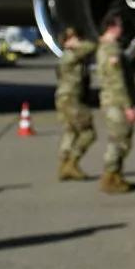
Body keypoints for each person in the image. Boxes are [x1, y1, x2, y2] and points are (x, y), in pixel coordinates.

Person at [93, 15, 135, 194]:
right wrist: (128, 106)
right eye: (119, 26)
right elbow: (117, 80)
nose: (122, 29)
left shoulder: (105, 48)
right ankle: (110, 176)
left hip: (111, 100)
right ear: (112, 27)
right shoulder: (111, 50)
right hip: (116, 101)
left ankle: (115, 175)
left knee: (119, 138)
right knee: (120, 140)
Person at [55, 27, 98, 181]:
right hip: (71, 99)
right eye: (75, 38)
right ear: (66, 41)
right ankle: (73, 162)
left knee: (70, 132)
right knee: (89, 133)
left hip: (65, 98)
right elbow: (91, 46)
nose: (79, 40)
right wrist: (98, 37)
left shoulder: (69, 57)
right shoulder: (70, 55)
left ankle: (64, 165)